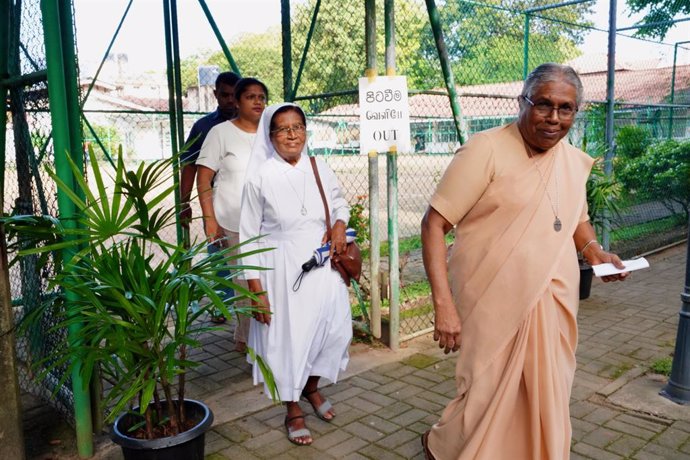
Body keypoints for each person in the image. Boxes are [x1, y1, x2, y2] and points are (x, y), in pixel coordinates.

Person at [420, 63, 629, 460]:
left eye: (565, 108)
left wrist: (595, 252)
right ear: (523, 102)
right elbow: (434, 224)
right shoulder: (486, 149)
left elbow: (575, 219)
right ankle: (447, 447)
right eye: (544, 105)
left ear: (575, 111)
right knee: (485, 388)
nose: (554, 118)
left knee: (546, 386)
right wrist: (443, 305)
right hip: (490, 295)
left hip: (553, 297)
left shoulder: (572, 161)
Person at [240, 103, 352, 446]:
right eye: (283, 129)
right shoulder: (260, 176)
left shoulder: (318, 167)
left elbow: (340, 203)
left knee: (335, 330)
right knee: (290, 340)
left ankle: (311, 387)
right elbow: (247, 236)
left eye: (298, 127)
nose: (292, 134)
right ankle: (293, 408)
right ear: (270, 137)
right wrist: (257, 290)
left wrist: (338, 225)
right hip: (280, 267)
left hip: (320, 264)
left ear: (305, 130)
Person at [196, 77, 268, 352]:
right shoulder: (220, 133)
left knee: (267, 282)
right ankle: (250, 346)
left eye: (262, 96)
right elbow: (203, 179)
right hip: (233, 221)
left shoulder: (269, 134)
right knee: (245, 284)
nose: (258, 101)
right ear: (237, 102)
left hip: (268, 221)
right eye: (251, 96)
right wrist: (209, 221)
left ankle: (249, 339)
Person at [179, 71, 240, 325]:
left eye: (234, 95)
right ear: (215, 94)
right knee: (219, 255)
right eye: (224, 94)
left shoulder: (253, 123)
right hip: (216, 199)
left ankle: (250, 310)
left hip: (250, 199)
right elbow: (190, 166)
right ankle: (222, 305)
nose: (229, 100)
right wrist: (184, 202)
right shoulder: (204, 127)